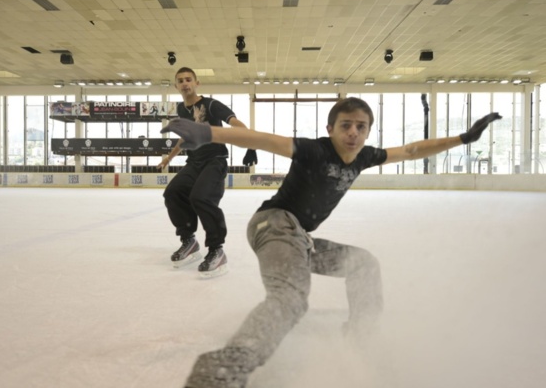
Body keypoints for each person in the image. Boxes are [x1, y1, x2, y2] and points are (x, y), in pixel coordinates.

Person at [161, 97, 502, 387]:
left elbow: (413, 150)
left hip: (298, 239)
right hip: (274, 225)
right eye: (346, 125)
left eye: (361, 126)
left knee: (363, 264)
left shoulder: (366, 156)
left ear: (368, 131)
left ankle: (361, 337)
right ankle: (221, 371)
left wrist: (462, 138)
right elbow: (262, 138)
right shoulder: (314, 151)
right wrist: (207, 132)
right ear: (331, 130)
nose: (353, 132)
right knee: (291, 299)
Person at [158, 67, 258, 278]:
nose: (185, 83)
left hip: (215, 161)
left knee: (201, 198)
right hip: (194, 161)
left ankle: (216, 250)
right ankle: (189, 241)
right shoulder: (181, 109)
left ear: (196, 83)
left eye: (188, 79)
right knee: (173, 193)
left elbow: (235, 122)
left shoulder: (211, 104)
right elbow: (185, 136)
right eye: (180, 80)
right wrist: (170, 157)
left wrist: (250, 142)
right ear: (176, 86)